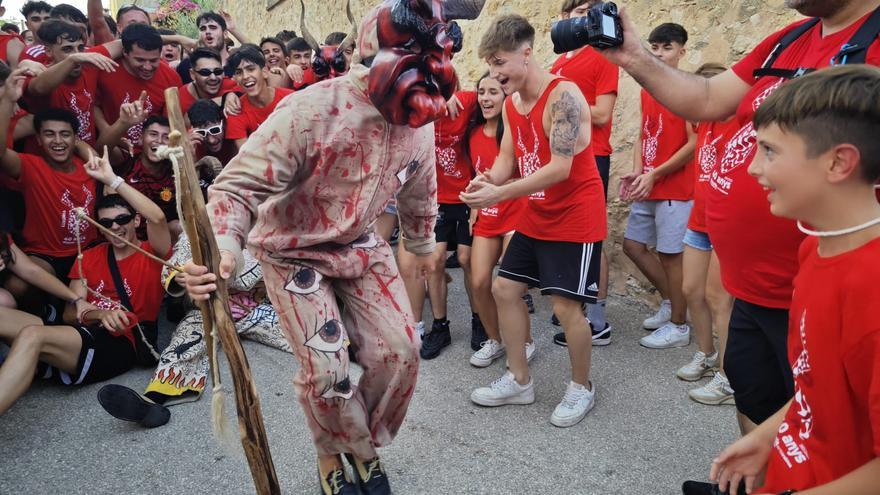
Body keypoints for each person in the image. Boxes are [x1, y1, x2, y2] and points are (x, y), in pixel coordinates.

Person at [180, 1, 485, 492]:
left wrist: (424, 239)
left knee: (401, 353)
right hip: (292, 250)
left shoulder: (419, 113)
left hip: (363, 244)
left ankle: (354, 439)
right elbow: (235, 189)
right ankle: (339, 455)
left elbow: (419, 182)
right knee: (327, 369)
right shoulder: (310, 111)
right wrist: (222, 250)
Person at [601, 0, 880, 436]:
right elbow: (708, 98)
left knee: (830, 432)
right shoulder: (788, 40)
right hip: (752, 287)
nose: (754, 164)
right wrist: (634, 56)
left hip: (827, 293)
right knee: (755, 398)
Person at [710, 64, 880, 495]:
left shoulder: (871, 291)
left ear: (839, 162)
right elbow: (815, 385)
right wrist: (766, 437)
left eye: (768, 151)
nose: (751, 169)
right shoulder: (814, 244)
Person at [462, 14, 606, 428]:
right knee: (504, 288)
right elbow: (509, 159)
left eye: (501, 62)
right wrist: (487, 179)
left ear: (527, 54)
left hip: (576, 215)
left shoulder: (564, 96)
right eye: (490, 64)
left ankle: (582, 388)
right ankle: (519, 379)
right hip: (537, 212)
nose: (495, 72)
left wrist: (500, 193)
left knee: (565, 308)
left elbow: (561, 168)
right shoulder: (511, 104)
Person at [0, 145, 170, 416]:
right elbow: (70, 314)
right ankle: (20, 367)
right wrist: (98, 313)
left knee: (32, 335)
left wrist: (112, 181)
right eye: (106, 223)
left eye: (122, 219)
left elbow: (158, 217)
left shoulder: (152, 252)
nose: (115, 228)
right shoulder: (89, 256)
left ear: (136, 220)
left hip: (120, 342)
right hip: (82, 332)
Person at [97, 232, 291, 427]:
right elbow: (172, 267)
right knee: (181, 348)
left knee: (305, 334)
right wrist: (180, 275)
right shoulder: (197, 228)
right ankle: (151, 402)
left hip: (254, 309)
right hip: (207, 312)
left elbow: (250, 275)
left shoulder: (267, 227)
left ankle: (323, 376)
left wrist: (215, 269)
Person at [620, 23, 696, 349]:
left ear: (682, 51)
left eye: (667, 47)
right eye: (656, 47)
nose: (660, 53)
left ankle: (680, 325)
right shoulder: (647, 88)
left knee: (671, 256)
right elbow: (644, 133)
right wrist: (639, 171)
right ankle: (670, 301)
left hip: (676, 188)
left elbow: (694, 143)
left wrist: (657, 172)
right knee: (633, 246)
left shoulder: (691, 87)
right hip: (649, 184)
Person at [549, 0, 619, 346]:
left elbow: (603, 113)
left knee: (592, 235)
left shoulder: (603, 55)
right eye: (578, 12)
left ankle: (598, 320)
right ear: (565, 17)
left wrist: (561, 102)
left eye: (590, 12)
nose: (584, 18)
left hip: (593, 155)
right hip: (563, 157)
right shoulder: (561, 59)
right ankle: (571, 304)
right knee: (565, 232)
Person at [0, 72, 97, 312]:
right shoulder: (30, 166)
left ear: (75, 138)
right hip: (44, 257)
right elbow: (0, 153)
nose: (58, 141)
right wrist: (7, 101)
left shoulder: (92, 166)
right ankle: (44, 314)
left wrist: (88, 150)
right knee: (18, 285)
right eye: (49, 134)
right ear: (39, 140)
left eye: (65, 134)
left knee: (77, 312)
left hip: (86, 252)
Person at [399, 86, 479, 360]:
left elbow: (496, 95)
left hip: (469, 195)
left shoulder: (467, 101)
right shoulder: (416, 113)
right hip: (437, 198)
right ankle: (440, 325)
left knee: (468, 261)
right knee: (434, 262)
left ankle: (479, 320)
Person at [676, 63, 737, 406]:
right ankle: (707, 353)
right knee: (691, 291)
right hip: (699, 219)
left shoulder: (744, 124)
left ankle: (728, 379)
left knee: (719, 300)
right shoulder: (706, 123)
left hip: (725, 224)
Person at [466, 73, 530, 367]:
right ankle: (495, 340)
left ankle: (524, 342)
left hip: (516, 211)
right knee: (478, 282)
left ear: (505, 98)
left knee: (505, 286)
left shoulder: (515, 131)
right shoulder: (474, 134)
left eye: (493, 92)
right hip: (488, 216)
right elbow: (477, 176)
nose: (486, 98)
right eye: (481, 92)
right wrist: (474, 208)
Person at [24, 20, 118, 147]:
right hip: (50, 160)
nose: (76, 53)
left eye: (80, 48)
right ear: (48, 51)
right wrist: (72, 59)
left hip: (86, 159)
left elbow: (124, 44)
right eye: (67, 49)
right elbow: (39, 88)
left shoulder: (88, 62)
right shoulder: (39, 72)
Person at [96, 23, 182, 148]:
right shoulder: (106, 70)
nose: (147, 67)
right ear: (124, 52)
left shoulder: (171, 78)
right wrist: (108, 132)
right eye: (140, 60)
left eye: (153, 60)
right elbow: (93, 105)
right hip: (114, 150)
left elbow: (172, 123)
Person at [224, 45, 292, 148]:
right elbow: (246, 155)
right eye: (239, 72)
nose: (245, 76)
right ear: (236, 80)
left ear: (264, 72)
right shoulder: (235, 111)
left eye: (250, 69)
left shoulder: (290, 98)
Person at [176, 11, 249, 85]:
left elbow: (257, 54)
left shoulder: (238, 63)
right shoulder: (187, 66)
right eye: (203, 29)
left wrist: (233, 29)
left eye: (213, 27)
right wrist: (177, 38)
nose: (207, 31)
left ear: (225, 34)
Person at [177, 47, 239, 115]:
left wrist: (231, 94)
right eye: (205, 72)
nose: (213, 78)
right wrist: (221, 99)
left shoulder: (230, 85)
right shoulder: (181, 98)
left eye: (218, 71)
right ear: (192, 74)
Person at [188, 98, 238, 167]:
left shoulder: (236, 130)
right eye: (202, 133)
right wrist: (190, 155)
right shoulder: (193, 142)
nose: (211, 140)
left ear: (223, 124)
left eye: (215, 130)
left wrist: (229, 95)